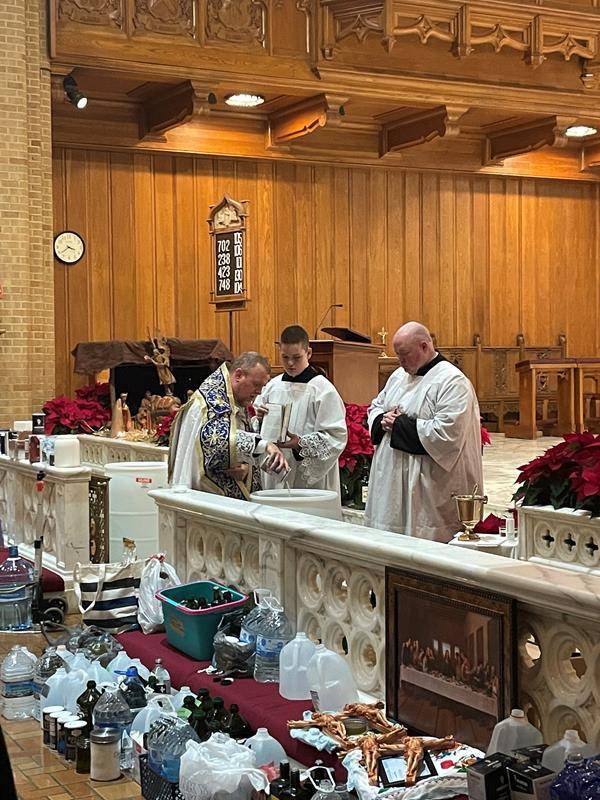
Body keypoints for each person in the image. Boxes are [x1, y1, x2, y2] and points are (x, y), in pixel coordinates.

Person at [364, 321, 483, 542]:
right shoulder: (399, 376)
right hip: (392, 484)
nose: (400, 361)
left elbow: (447, 434)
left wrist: (397, 425)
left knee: (424, 544)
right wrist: (382, 419)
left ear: (425, 346)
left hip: (428, 490)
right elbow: (376, 406)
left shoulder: (452, 381)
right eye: (398, 355)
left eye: (405, 354)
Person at [168, 352, 288, 500]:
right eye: (256, 384)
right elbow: (217, 440)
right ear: (238, 375)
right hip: (203, 495)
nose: (259, 392)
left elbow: (237, 442)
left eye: (262, 386)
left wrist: (246, 468)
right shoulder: (212, 401)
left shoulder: (235, 397)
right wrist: (265, 445)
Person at [253, 325, 347, 504]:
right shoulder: (272, 385)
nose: (290, 363)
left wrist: (300, 444)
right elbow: (257, 428)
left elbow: (336, 436)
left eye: (296, 357)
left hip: (307, 478)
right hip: (275, 469)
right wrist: (259, 418)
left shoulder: (322, 389)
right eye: (285, 357)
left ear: (309, 353)